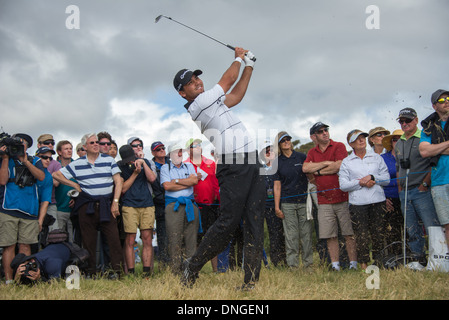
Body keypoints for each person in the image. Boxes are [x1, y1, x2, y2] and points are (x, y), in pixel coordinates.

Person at [174, 48, 266, 290]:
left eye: (196, 79)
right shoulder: (199, 105)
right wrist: (238, 57)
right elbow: (227, 82)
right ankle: (192, 266)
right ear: (183, 93)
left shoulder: (212, 102)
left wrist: (249, 66)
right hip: (233, 164)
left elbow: (235, 95)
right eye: (191, 83)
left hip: (251, 160)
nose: (197, 83)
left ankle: (250, 283)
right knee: (228, 223)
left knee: (255, 222)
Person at [53, 133, 124, 278]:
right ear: (85, 146)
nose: (96, 144)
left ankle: (117, 272)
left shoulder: (109, 160)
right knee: (88, 241)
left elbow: (119, 181)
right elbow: (56, 175)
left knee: (114, 240)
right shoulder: (78, 163)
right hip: (87, 205)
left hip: (107, 204)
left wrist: (115, 202)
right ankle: (91, 272)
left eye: (97, 142)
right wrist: (74, 184)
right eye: (92, 143)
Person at [303, 122, 357, 271]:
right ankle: (335, 265)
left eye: (326, 130)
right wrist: (327, 163)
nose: (325, 133)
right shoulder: (312, 152)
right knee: (329, 235)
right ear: (314, 136)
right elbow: (305, 168)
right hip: (323, 200)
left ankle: (353, 264)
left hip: (343, 197)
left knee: (348, 233)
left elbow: (340, 165)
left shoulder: (338, 146)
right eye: (320, 132)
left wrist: (318, 170)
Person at [338, 129, 390, 270]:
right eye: (357, 139)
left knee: (378, 233)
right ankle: (363, 264)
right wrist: (360, 182)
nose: (361, 140)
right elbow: (343, 185)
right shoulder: (346, 162)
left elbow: (386, 178)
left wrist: (373, 178)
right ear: (350, 144)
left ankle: (379, 262)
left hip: (377, 201)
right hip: (357, 204)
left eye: (363, 137)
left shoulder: (377, 158)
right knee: (361, 235)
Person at [394, 108, 440, 262]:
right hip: (405, 192)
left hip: (422, 191)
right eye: (402, 121)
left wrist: (425, 184)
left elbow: (433, 164)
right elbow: (398, 167)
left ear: (415, 120)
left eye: (408, 120)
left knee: (431, 226)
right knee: (412, 229)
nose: (405, 124)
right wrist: (400, 189)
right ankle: (418, 259)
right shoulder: (399, 143)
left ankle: (438, 258)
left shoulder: (425, 137)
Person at [0, 133, 46, 283]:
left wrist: (25, 161)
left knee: (25, 246)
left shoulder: (36, 160)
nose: (19, 146)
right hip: (9, 208)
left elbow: (41, 177)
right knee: (8, 245)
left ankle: (22, 280)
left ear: (27, 146)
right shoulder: (6, 159)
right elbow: (2, 181)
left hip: (30, 210)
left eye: (22, 143)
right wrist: (6, 158)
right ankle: (9, 281)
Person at [274, 131, 313, 269]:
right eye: (283, 140)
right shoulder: (277, 162)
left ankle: (308, 265)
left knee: (306, 235)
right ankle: (293, 266)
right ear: (279, 144)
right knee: (291, 236)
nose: (286, 141)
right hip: (287, 203)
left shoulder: (302, 157)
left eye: (288, 139)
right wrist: (277, 207)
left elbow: (311, 177)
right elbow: (277, 186)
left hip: (304, 201)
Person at [118, 144, 157, 277]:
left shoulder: (144, 161)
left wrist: (143, 164)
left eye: (131, 158)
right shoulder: (120, 166)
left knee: (147, 238)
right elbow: (123, 189)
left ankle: (146, 273)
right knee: (130, 239)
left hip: (147, 204)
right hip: (129, 205)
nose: (130, 162)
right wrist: (135, 173)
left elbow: (152, 179)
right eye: (127, 160)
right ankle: (131, 272)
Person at [160, 142, 199, 274]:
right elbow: (167, 186)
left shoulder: (189, 165)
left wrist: (176, 181)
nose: (180, 154)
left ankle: (191, 271)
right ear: (170, 154)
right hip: (173, 206)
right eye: (177, 151)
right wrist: (186, 183)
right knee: (174, 238)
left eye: (181, 151)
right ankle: (176, 270)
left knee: (191, 238)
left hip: (190, 204)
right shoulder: (166, 168)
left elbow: (194, 181)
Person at [184, 138, 220, 272]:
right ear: (188, 151)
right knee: (195, 239)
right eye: (194, 146)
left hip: (211, 205)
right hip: (193, 206)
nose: (198, 147)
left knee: (212, 238)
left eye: (199, 145)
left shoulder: (210, 163)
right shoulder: (185, 164)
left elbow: (216, 184)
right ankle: (194, 269)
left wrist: (219, 200)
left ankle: (216, 270)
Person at [419, 89, 449, 248]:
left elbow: (430, 150)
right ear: (434, 106)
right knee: (447, 224)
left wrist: (435, 148)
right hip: (439, 181)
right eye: (442, 100)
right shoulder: (428, 127)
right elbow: (424, 151)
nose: (447, 101)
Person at [259, 139, 286, 267]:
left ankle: (282, 261)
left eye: (271, 150)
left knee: (280, 233)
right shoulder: (260, 169)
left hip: (280, 204)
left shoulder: (281, 167)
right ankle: (270, 262)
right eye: (266, 151)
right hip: (264, 205)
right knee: (266, 234)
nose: (269, 153)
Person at [381, 129, 404, 253]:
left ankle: (412, 256)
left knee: (409, 228)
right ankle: (394, 257)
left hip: (408, 196)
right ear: (391, 143)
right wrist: (384, 198)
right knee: (392, 230)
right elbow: (377, 180)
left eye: (401, 139)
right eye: (395, 140)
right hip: (389, 197)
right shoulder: (383, 158)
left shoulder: (410, 156)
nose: (398, 142)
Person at [150, 140, 170, 267]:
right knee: (162, 236)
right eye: (158, 149)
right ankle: (164, 264)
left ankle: (177, 263)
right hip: (160, 204)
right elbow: (155, 187)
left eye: (163, 148)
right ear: (153, 152)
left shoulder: (172, 163)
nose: (162, 150)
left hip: (175, 202)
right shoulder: (152, 166)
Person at [36, 134, 62, 231]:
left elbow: (56, 183)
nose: (50, 145)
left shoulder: (56, 164)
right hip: (31, 203)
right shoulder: (30, 163)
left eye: (52, 143)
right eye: (47, 143)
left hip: (50, 202)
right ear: (39, 145)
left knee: (53, 233)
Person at [52, 140, 75, 242]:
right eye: (66, 149)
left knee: (73, 241)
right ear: (59, 152)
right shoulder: (55, 166)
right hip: (59, 208)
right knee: (58, 239)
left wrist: (76, 198)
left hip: (74, 210)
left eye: (70, 148)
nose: (69, 151)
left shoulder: (76, 165)